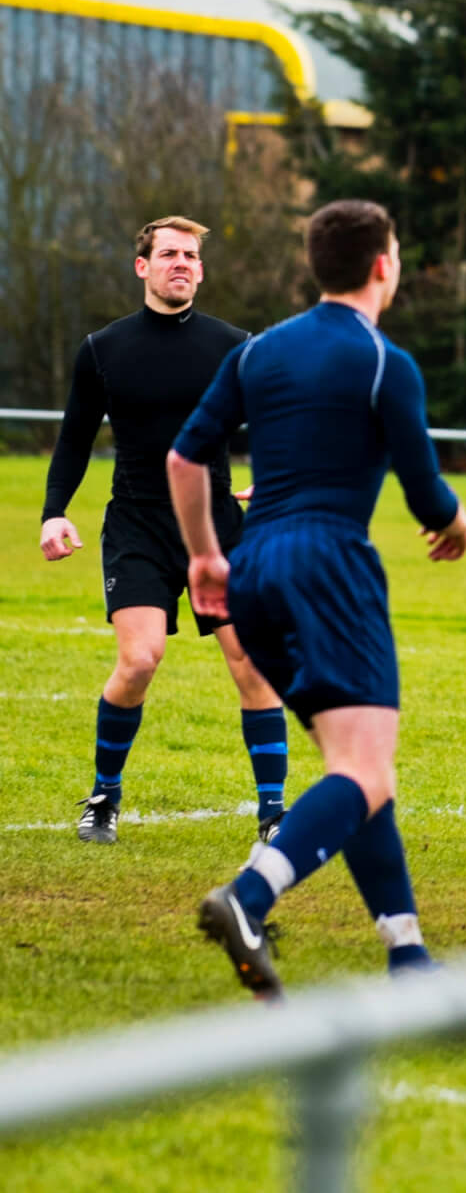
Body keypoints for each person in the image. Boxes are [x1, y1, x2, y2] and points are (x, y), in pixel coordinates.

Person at [170, 200, 466, 996]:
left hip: (254, 565)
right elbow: (424, 492)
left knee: (357, 768)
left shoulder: (259, 352)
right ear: (384, 265)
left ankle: (407, 954)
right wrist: (458, 524)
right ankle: (249, 894)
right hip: (329, 563)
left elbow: (184, 458)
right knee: (365, 772)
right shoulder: (383, 362)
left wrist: (206, 556)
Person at [39, 217, 289, 846]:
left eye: (192, 256)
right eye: (170, 253)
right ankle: (103, 796)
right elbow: (72, 440)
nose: (182, 263)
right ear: (142, 266)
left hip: (218, 525)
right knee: (140, 658)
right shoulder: (103, 348)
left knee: (251, 664)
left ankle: (272, 814)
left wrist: (278, 476)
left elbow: (278, 420)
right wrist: (54, 511)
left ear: (202, 271)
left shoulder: (237, 346)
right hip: (139, 525)